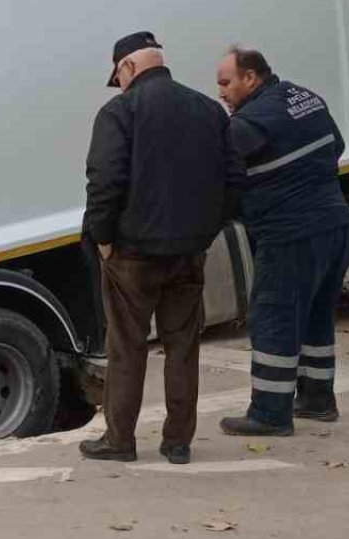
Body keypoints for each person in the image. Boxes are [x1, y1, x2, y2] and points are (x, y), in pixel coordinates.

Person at [78, 32, 241, 465]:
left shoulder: (119, 112)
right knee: (182, 348)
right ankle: (177, 442)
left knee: (127, 348)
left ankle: (119, 440)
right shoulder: (209, 110)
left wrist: (105, 239)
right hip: (189, 253)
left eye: (119, 76)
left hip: (132, 256)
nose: (120, 85)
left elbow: (105, 183)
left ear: (128, 67)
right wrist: (204, 234)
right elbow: (233, 184)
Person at [215, 46, 349, 437]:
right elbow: (337, 147)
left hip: (290, 233)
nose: (221, 93)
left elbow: (221, 163)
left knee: (274, 317)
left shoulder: (252, 120)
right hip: (335, 225)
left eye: (226, 83)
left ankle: (270, 413)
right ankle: (318, 399)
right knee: (315, 317)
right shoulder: (304, 97)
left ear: (250, 78)